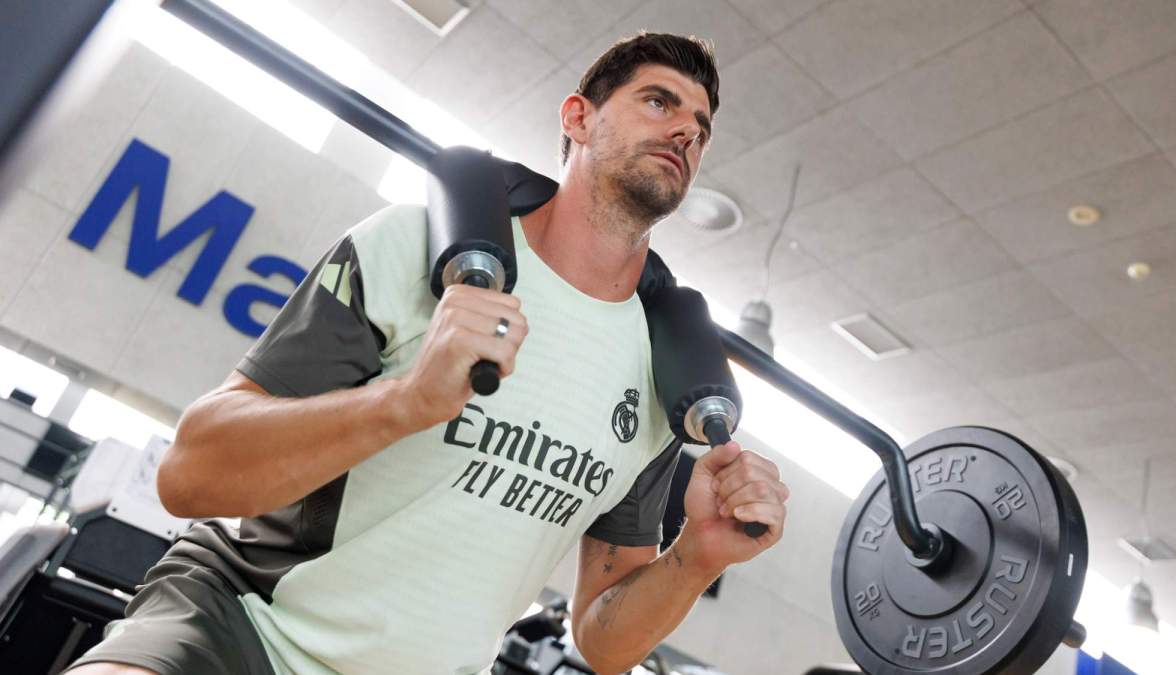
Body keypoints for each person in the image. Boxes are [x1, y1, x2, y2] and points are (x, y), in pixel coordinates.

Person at [67, 32, 789, 675]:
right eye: (659, 102)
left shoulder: (665, 367)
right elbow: (191, 475)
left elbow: (602, 642)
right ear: (577, 118)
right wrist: (406, 401)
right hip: (244, 625)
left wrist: (697, 554)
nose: (685, 133)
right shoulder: (417, 244)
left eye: (701, 128)